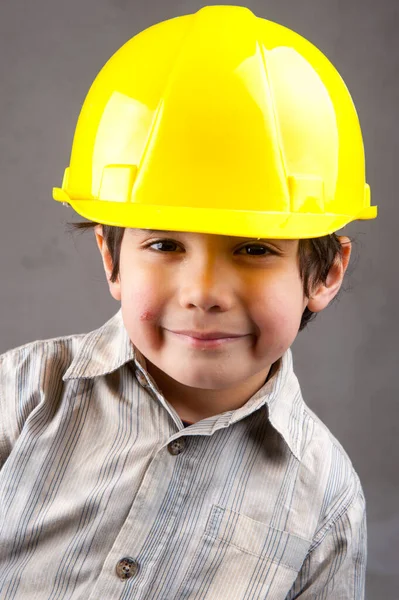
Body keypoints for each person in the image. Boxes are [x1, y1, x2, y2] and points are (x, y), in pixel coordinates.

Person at [0, 5, 377, 599]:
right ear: (111, 259)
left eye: (253, 248)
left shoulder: (326, 500)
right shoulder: (21, 396)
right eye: (165, 243)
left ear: (324, 272)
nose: (202, 292)